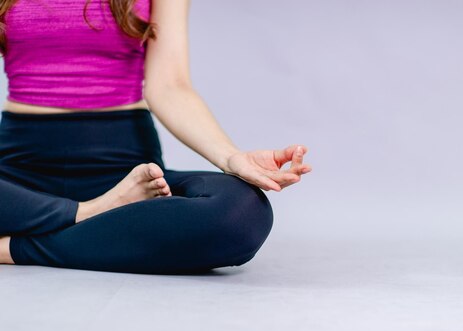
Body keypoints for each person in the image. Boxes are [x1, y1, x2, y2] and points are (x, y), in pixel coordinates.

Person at [0, 0, 311, 274]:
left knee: (242, 211)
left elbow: (169, 86)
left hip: (127, 178)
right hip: (19, 174)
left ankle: (14, 249)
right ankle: (92, 215)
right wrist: (92, 210)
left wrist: (230, 157)